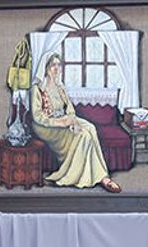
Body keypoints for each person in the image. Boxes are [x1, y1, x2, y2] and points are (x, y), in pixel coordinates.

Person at [30, 54, 122, 193]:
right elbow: (38, 117)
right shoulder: (37, 89)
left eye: (58, 65)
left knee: (90, 128)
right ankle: (83, 177)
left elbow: (70, 108)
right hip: (46, 127)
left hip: (64, 119)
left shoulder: (60, 86)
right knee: (83, 136)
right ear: (45, 68)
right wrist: (62, 123)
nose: (56, 68)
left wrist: (72, 121)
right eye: (53, 65)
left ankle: (102, 175)